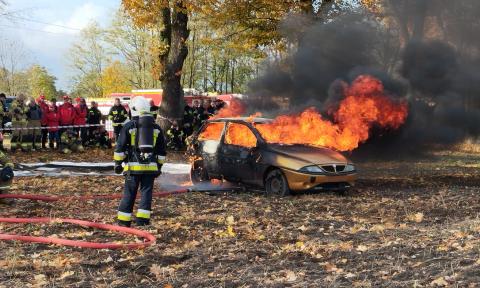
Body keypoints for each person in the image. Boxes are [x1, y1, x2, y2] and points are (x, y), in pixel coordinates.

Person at [114, 96, 166, 227]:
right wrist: (159, 166)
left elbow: (119, 148)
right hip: (151, 168)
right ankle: (142, 221)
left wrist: (118, 163)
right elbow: (161, 151)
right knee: (146, 194)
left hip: (133, 168)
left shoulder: (129, 126)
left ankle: (124, 221)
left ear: (133, 110)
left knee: (129, 193)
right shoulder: (156, 128)